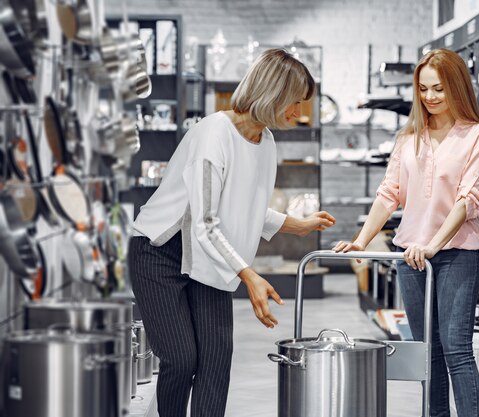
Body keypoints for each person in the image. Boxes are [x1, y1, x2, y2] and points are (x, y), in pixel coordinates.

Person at [129, 48, 336, 417]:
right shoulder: (213, 135)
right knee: (181, 359)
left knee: (215, 360)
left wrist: (296, 223)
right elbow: (205, 222)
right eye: (295, 102)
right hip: (161, 253)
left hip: (208, 255)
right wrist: (248, 274)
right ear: (273, 93)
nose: (298, 113)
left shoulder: (265, 140)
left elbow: (244, 204)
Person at [333, 48, 479, 417]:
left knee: (456, 348)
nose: (430, 97)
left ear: (456, 87)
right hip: (410, 257)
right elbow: (389, 194)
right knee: (427, 351)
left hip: (455, 254)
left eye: (438, 88)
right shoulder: (409, 139)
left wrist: (433, 245)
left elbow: (468, 200)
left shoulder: (477, 136)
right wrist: (361, 239)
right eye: (423, 89)